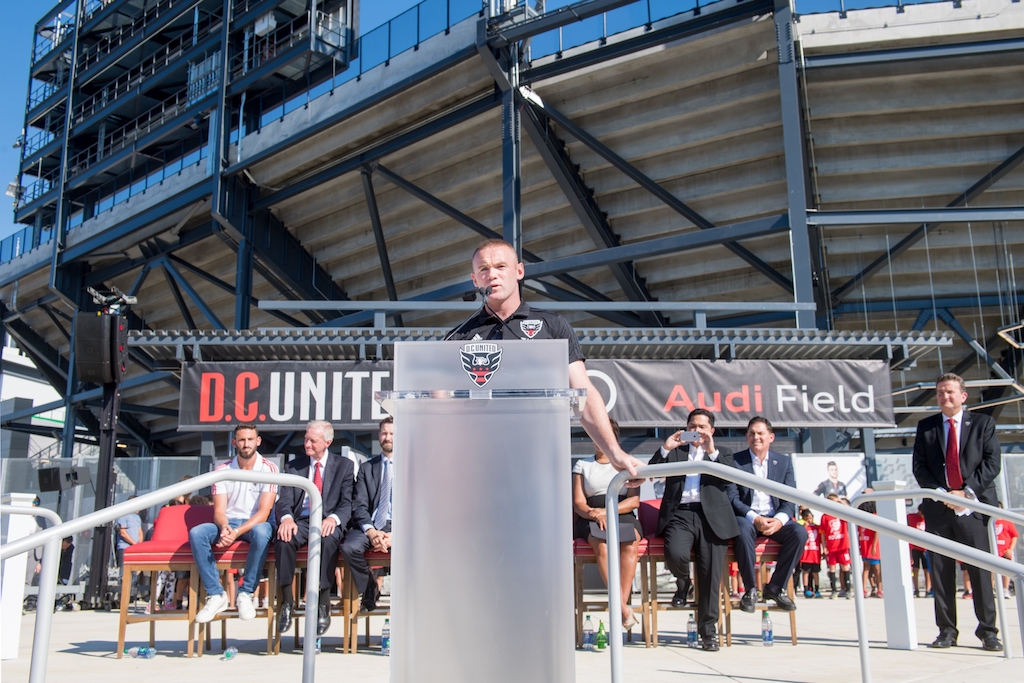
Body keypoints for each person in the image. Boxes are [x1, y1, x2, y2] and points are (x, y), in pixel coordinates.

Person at [446, 239, 640, 480]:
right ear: (475, 280)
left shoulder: (552, 325)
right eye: (483, 269)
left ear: (519, 271)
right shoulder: (458, 336)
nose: (492, 275)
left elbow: (583, 392)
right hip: (476, 467)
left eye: (500, 266)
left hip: (539, 468)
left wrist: (614, 453)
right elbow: (439, 408)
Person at [911, 372, 1001, 651]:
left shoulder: (983, 424)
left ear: (963, 396)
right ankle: (946, 631)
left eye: (949, 391)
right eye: (939, 392)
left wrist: (966, 494)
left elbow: (991, 462)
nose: (944, 396)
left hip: (973, 509)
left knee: (979, 572)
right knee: (941, 572)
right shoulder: (926, 427)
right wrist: (943, 495)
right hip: (939, 509)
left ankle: (988, 631)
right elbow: (920, 467)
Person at [648, 409, 738, 651]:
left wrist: (711, 452)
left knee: (710, 577)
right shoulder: (676, 451)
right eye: (692, 426)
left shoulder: (723, 453)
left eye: (702, 426)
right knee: (676, 553)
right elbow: (650, 473)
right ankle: (683, 582)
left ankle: (708, 632)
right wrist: (666, 447)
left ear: (711, 430)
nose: (697, 430)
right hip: (681, 513)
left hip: (713, 518)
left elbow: (731, 479)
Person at [189, 423, 277, 624]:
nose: (246, 444)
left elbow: (264, 513)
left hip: (255, 523)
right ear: (234, 442)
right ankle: (216, 594)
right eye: (242, 440)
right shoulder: (222, 470)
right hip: (230, 523)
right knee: (197, 533)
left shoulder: (269, 468)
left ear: (258, 441)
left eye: (250, 439)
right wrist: (225, 527)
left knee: (263, 532)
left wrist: (235, 532)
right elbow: (219, 511)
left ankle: (246, 593)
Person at [275, 420, 355, 636]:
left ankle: (323, 601)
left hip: (328, 521)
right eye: (306, 438)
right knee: (284, 539)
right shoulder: (294, 466)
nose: (307, 444)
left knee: (329, 540)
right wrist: (286, 519)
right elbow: (283, 500)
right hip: (301, 521)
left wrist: (334, 519)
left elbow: (348, 502)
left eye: (313, 440)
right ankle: (287, 602)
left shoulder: (344, 466)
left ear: (327, 442)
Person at [729, 416, 806, 613]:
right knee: (742, 530)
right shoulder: (735, 461)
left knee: (800, 533)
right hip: (748, 517)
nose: (756, 437)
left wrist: (779, 521)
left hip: (775, 517)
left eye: (760, 433)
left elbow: (790, 498)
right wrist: (754, 517)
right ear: (746, 437)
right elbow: (732, 498)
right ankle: (750, 589)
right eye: (752, 433)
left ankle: (774, 587)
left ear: (771, 437)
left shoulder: (784, 462)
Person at [572, 418, 643, 630]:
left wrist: (608, 511)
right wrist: (595, 514)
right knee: (601, 545)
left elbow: (634, 501)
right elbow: (578, 502)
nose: (600, 440)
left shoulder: (627, 462)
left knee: (630, 543)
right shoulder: (583, 464)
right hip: (592, 515)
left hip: (620, 512)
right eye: (596, 435)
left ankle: (620, 604)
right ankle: (622, 609)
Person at [341, 417, 395, 612]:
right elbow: (359, 505)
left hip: (401, 526)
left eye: (392, 433)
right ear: (379, 435)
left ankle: (411, 600)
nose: (387, 437)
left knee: (417, 548)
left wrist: (395, 536)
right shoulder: (366, 468)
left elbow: (417, 507)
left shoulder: (412, 467)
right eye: (384, 433)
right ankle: (370, 588)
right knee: (349, 547)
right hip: (371, 525)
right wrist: (371, 532)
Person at [820, 494, 852, 598]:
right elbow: (823, 533)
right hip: (831, 546)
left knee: (845, 567)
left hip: (842, 545)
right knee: (832, 568)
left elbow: (850, 510)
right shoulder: (825, 516)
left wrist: (840, 501)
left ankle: (848, 590)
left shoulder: (841, 513)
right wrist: (824, 546)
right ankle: (834, 590)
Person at [114, 496, 143, 604]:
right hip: (125, 548)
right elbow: (123, 533)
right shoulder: (123, 515)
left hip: (135, 548)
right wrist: (134, 544)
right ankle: (121, 597)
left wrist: (139, 545)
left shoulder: (137, 517)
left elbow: (140, 532)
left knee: (134, 573)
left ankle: (130, 596)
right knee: (124, 573)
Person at [906, 503, 932, 597]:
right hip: (915, 547)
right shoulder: (911, 517)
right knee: (915, 569)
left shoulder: (927, 518)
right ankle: (916, 589)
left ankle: (928, 589)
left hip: (925, 548)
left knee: (927, 570)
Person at [857, 501, 882, 598]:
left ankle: (879, 589)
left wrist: (874, 546)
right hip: (864, 545)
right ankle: (863, 589)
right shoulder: (861, 519)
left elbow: (876, 532)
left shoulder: (873, 517)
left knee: (876, 569)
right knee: (866, 567)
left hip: (872, 546)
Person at [993, 508, 1018, 595]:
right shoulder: (990, 522)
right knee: (992, 571)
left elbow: (1014, 536)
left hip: (1004, 551)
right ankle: (991, 590)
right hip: (993, 551)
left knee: (1005, 572)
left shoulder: (1008, 522)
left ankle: (1005, 590)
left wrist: (1010, 549)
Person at [799, 509, 822, 598]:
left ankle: (817, 589)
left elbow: (822, 538)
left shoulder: (816, 527)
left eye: (811, 518)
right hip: (806, 554)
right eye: (807, 518)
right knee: (806, 572)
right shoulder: (802, 527)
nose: (810, 520)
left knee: (815, 572)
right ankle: (806, 589)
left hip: (815, 553)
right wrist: (804, 527)